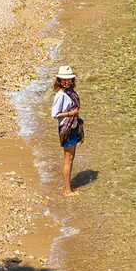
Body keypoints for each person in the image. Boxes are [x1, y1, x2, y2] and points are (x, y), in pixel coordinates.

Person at [52, 66, 84, 195]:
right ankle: (67, 190)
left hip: (72, 126)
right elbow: (54, 114)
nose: (68, 82)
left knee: (71, 158)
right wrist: (72, 113)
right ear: (59, 80)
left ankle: (68, 186)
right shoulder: (60, 95)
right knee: (68, 159)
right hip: (67, 127)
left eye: (70, 79)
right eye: (65, 79)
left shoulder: (68, 92)